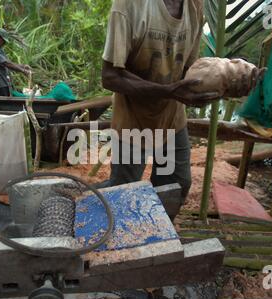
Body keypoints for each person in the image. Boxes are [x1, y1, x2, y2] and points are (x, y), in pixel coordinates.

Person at [101, 0, 259, 206]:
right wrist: (168, 91)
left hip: (172, 121)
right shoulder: (129, 6)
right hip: (133, 122)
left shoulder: (195, 6)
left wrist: (224, 81)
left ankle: (157, 233)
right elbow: (110, 76)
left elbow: (187, 70)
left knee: (176, 185)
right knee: (122, 190)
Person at [0, 28, 31, 97]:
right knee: (2, 105)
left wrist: (23, 66)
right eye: (3, 40)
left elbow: (8, 62)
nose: (4, 43)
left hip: (4, 83)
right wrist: (23, 71)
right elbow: (6, 64)